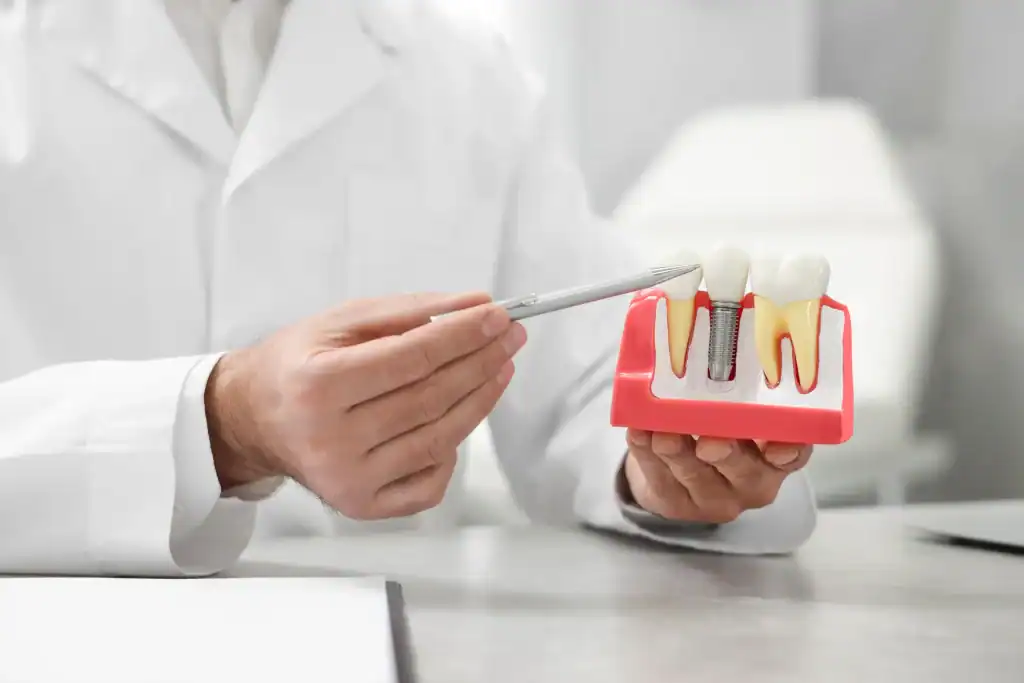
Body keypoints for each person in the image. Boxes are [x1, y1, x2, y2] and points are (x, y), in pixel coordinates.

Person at [0, 0, 816, 576]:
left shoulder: (465, 69)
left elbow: (591, 380)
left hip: (402, 639)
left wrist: (664, 471)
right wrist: (218, 423)